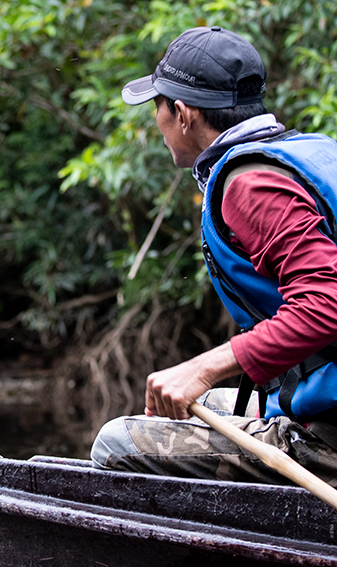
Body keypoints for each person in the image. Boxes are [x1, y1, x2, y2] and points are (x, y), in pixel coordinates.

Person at [90, 26, 337, 486]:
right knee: (187, 407)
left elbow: (327, 304)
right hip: (318, 396)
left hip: (330, 432)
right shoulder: (313, 151)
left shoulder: (251, 185)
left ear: (182, 113)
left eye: (158, 108)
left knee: (116, 441)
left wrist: (201, 367)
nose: (157, 122)